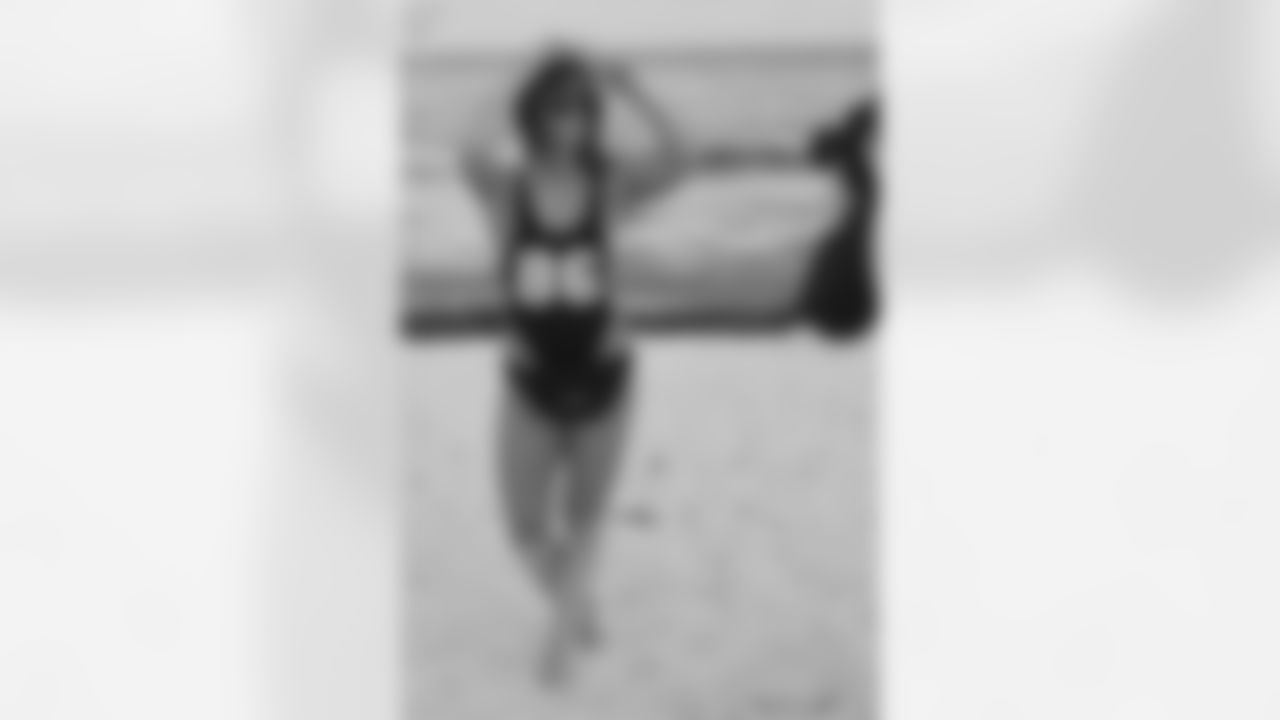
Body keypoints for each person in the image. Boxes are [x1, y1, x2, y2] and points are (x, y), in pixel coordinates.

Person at [459, 46, 792, 686]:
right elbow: (468, 151)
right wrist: (514, 74)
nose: (572, 121)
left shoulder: (609, 188)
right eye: (559, 107)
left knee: (585, 521)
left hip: (606, 375)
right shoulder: (506, 192)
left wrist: (635, 89)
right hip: (528, 381)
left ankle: (559, 644)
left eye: (583, 108)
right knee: (525, 529)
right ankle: (579, 611)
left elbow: (684, 155)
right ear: (534, 113)